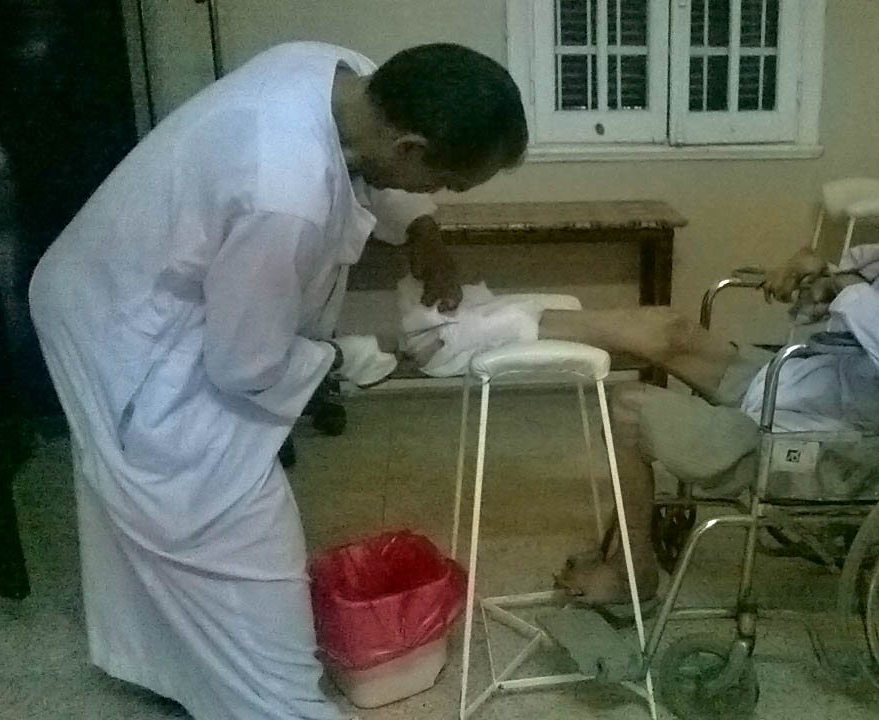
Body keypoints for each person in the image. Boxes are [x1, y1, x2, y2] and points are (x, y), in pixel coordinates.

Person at [28, 41, 526, 719]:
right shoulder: (284, 193)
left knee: (160, 504)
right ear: (410, 147)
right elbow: (244, 366)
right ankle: (277, 697)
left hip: (143, 271)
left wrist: (424, 232)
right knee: (207, 505)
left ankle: (181, 670)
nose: (436, 195)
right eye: (442, 183)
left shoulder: (343, 74)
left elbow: (371, 171)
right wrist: (346, 358)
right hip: (121, 318)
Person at [537, 142, 879, 604]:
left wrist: (847, 296)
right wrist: (819, 272)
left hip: (845, 444)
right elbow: (864, 273)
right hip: (812, 385)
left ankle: (632, 574)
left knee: (627, 410)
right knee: (672, 331)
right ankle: (514, 323)